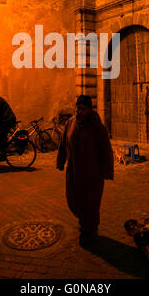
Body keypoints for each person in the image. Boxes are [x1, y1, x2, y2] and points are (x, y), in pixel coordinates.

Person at [56, 94, 114, 247]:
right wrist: (60, 161)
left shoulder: (97, 127)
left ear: (89, 109)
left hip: (92, 174)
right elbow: (63, 143)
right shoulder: (70, 123)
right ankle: (84, 224)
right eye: (78, 108)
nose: (79, 111)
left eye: (82, 109)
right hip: (74, 172)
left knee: (91, 203)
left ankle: (90, 230)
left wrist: (107, 171)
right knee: (74, 199)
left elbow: (106, 150)